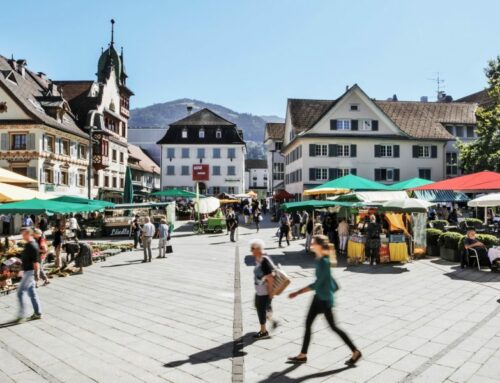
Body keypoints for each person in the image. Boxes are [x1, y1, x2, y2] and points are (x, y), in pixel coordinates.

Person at [287, 235, 361, 365]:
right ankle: (303, 355)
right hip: (318, 298)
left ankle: (355, 351)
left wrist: (298, 292)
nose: (311, 244)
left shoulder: (324, 263)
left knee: (334, 327)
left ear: (320, 246)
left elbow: (317, 284)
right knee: (308, 324)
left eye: (314, 243)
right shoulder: (319, 259)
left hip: (325, 300)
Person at [251, 239, 277, 339]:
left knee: (261, 309)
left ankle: (264, 331)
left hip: (264, 291)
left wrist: (270, 293)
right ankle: (272, 320)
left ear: (258, 248)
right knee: (262, 308)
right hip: (260, 290)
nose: (251, 250)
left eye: (252, 248)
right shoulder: (259, 258)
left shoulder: (264, 260)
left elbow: (270, 277)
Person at [16, 228, 42, 323]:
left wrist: (37, 274)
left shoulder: (33, 246)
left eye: (23, 234)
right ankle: (38, 313)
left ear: (28, 234)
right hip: (27, 270)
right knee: (32, 293)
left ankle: (22, 315)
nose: (22, 236)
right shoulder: (28, 244)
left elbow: (36, 262)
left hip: (30, 272)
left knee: (20, 293)